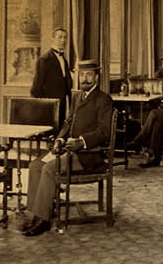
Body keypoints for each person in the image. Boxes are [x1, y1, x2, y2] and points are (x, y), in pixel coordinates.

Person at [18, 59, 115, 232]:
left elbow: (104, 132)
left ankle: (43, 220)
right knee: (35, 165)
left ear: (97, 77)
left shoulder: (103, 100)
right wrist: (60, 139)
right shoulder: (78, 96)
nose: (85, 79)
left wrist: (81, 141)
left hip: (89, 155)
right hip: (69, 150)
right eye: (82, 75)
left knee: (49, 168)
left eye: (89, 75)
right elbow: (68, 123)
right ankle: (34, 213)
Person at [28, 28, 73, 118]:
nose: (63, 40)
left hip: (63, 104)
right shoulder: (44, 60)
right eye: (59, 37)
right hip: (49, 106)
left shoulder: (64, 60)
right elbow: (36, 87)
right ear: (53, 39)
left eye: (65, 37)